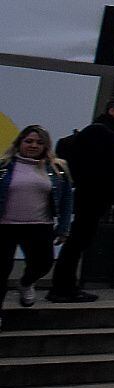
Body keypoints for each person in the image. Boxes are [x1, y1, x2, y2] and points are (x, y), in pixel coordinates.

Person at [47, 96, 114, 302]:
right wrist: (108, 193)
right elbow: (98, 168)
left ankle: (65, 286)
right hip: (92, 196)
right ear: (112, 110)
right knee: (78, 241)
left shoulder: (108, 131)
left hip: (93, 196)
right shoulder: (101, 131)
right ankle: (63, 287)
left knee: (79, 241)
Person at [1, 125, 73, 308]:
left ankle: (25, 283)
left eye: (39, 143)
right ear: (20, 143)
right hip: (6, 225)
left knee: (43, 263)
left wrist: (63, 228)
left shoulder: (57, 169)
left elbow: (66, 200)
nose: (33, 146)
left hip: (39, 225)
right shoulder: (5, 166)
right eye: (29, 141)